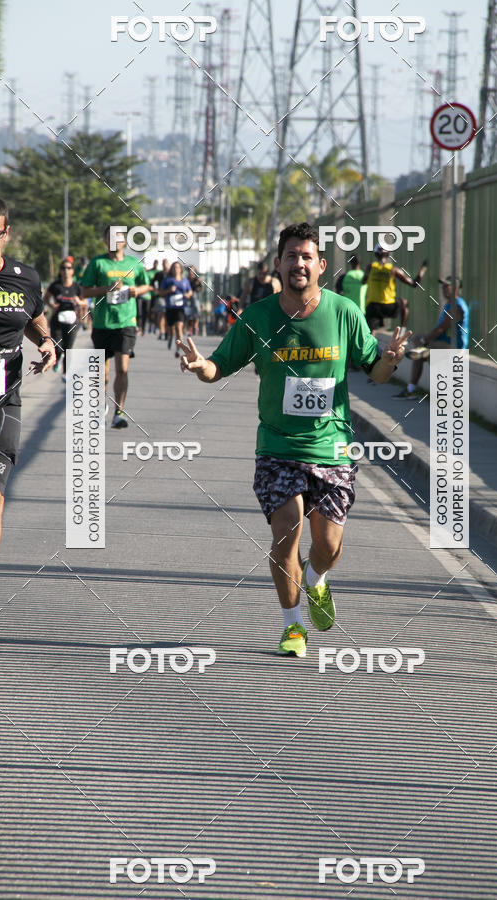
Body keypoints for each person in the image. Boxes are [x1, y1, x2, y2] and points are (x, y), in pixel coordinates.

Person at [177, 222, 410, 658]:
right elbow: (219, 367)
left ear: (321, 266)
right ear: (278, 265)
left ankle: (318, 581)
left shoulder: (343, 312)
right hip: (278, 447)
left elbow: (375, 371)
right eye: (291, 256)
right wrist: (199, 366)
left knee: (327, 546)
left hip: (333, 447)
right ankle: (292, 625)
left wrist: (391, 362)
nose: (298, 264)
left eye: (307, 257)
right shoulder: (259, 317)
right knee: (286, 533)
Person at [0, 193, 56, 639]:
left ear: (7, 233)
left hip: (0, 405)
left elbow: (33, 317)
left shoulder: (25, 279)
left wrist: (46, 341)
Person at [80, 226, 149, 428]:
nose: (114, 240)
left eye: (118, 236)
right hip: (103, 323)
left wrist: (136, 291)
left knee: (123, 369)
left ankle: (119, 411)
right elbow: (84, 292)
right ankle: (101, 406)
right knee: (104, 372)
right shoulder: (98, 263)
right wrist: (106, 289)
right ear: (104, 241)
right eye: (110, 236)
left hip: (126, 322)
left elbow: (146, 285)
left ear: (125, 241)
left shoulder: (133, 263)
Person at [398, 275, 470, 399]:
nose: (443, 289)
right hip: (444, 343)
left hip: (455, 347)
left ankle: (441, 393)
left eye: (446, 286)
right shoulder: (450, 304)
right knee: (419, 348)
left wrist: (424, 340)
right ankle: (411, 389)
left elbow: (441, 329)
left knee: (420, 348)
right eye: (443, 286)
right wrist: (422, 339)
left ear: (456, 288)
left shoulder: (457, 306)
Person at [363, 244, 427, 332]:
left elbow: (363, 281)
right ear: (388, 255)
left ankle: (371, 339)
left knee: (371, 332)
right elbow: (413, 284)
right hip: (388, 306)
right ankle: (402, 331)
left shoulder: (370, 267)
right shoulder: (393, 270)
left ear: (376, 254)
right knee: (404, 302)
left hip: (372, 307)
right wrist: (423, 270)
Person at [43, 258, 87, 379]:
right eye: (63, 268)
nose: (66, 271)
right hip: (57, 319)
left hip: (72, 320)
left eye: (69, 268)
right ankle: (58, 358)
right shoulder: (55, 286)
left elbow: (84, 303)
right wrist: (52, 305)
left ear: (73, 271)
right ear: (60, 271)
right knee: (57, 345)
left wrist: (79, 302)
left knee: (69, 348)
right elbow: (45, 298)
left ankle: (65, 373)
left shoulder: (77, 287)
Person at [157, 261, 192, 358]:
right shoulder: (167, 280)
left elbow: (190, 292)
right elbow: (160, 293)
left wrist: (187, 295)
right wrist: (169, 290)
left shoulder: (185, 281)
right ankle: (170, 338)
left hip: (180, 308)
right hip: (170, 308)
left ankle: (179, 349)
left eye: (178, 268)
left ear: (181, 269)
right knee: (171, 329)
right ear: (171, 269)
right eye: (174, 268)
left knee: (179, 327)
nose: (176, 269)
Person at [186, 266, 203, 336]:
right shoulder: (186, 280)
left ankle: (195, 327)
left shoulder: (197, 279)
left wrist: (199, 283)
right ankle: (189, 329)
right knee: (189, 314)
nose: (191, 272)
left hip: (195, 298)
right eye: (190, 271)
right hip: (188, 298)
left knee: (197, 312)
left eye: (192, 271)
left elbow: (201, 288)